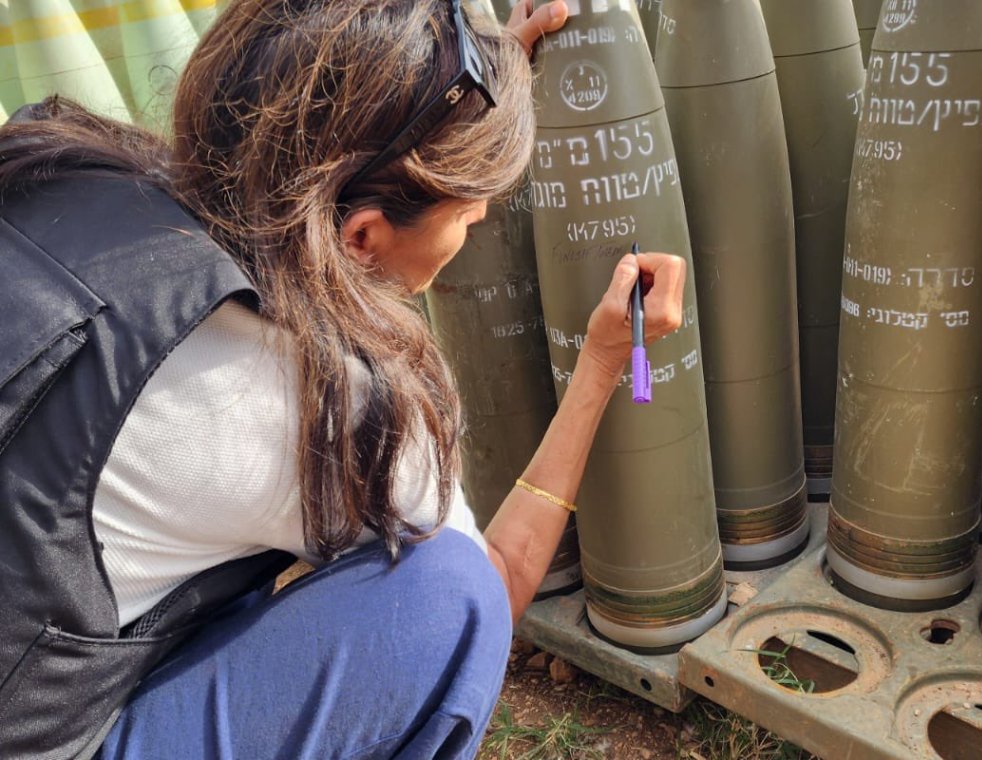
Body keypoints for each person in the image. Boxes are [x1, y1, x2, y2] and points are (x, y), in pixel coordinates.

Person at [0, 1, 687, 758]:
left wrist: (462, 105)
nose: (486, 213)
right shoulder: (326, 408)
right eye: (467, 207)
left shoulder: (59, 161)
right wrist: (599, 363)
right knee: (440, 603)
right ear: (360, 236)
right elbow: (493, 586)